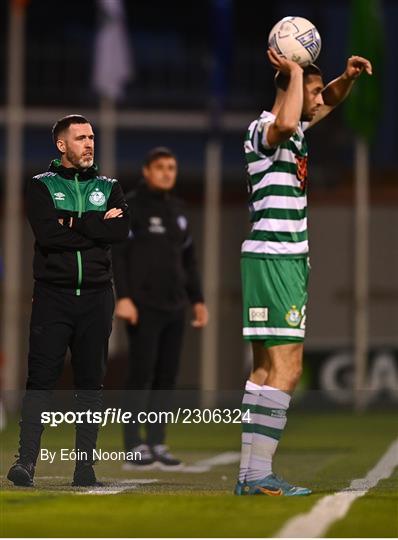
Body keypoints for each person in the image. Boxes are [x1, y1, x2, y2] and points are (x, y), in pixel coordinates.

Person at [236, 49, 372, 496]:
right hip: (277, 259)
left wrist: (345, 79)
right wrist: (295, 71)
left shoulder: (294, 130)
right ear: (287, 86)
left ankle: (249, 476)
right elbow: (289, 121)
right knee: (288, 369)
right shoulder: (264, 131)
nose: (318, 99)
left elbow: (323, 103)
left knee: (263, 371)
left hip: (274, 259)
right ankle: (258, 475)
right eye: (310, 90)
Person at [7, 114, 129, 487]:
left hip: (96, 298)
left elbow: (120, 230)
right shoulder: (41, 185)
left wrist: (71, 223)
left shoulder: (110, 186)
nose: (89, 144)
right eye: (80, 138)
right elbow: (47, 235)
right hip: (52, 297)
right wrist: (96, 226)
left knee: (90, 383)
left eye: (91, 137)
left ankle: (84, 467)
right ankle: (25, 463)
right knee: (40, 380)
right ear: (62, 146)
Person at [112, 147, 208, 469]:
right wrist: (123, 297)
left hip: (175, 305)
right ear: (146, 171)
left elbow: (189, 261)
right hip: (143, 305)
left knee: (167, 377)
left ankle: (157, 441)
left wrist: (197, 300)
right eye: (161, 167)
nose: (168, 172)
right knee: (141, 373)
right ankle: (132, 444)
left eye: (172, 167)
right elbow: (119, 255)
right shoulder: (132, 206)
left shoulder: (179, 210)